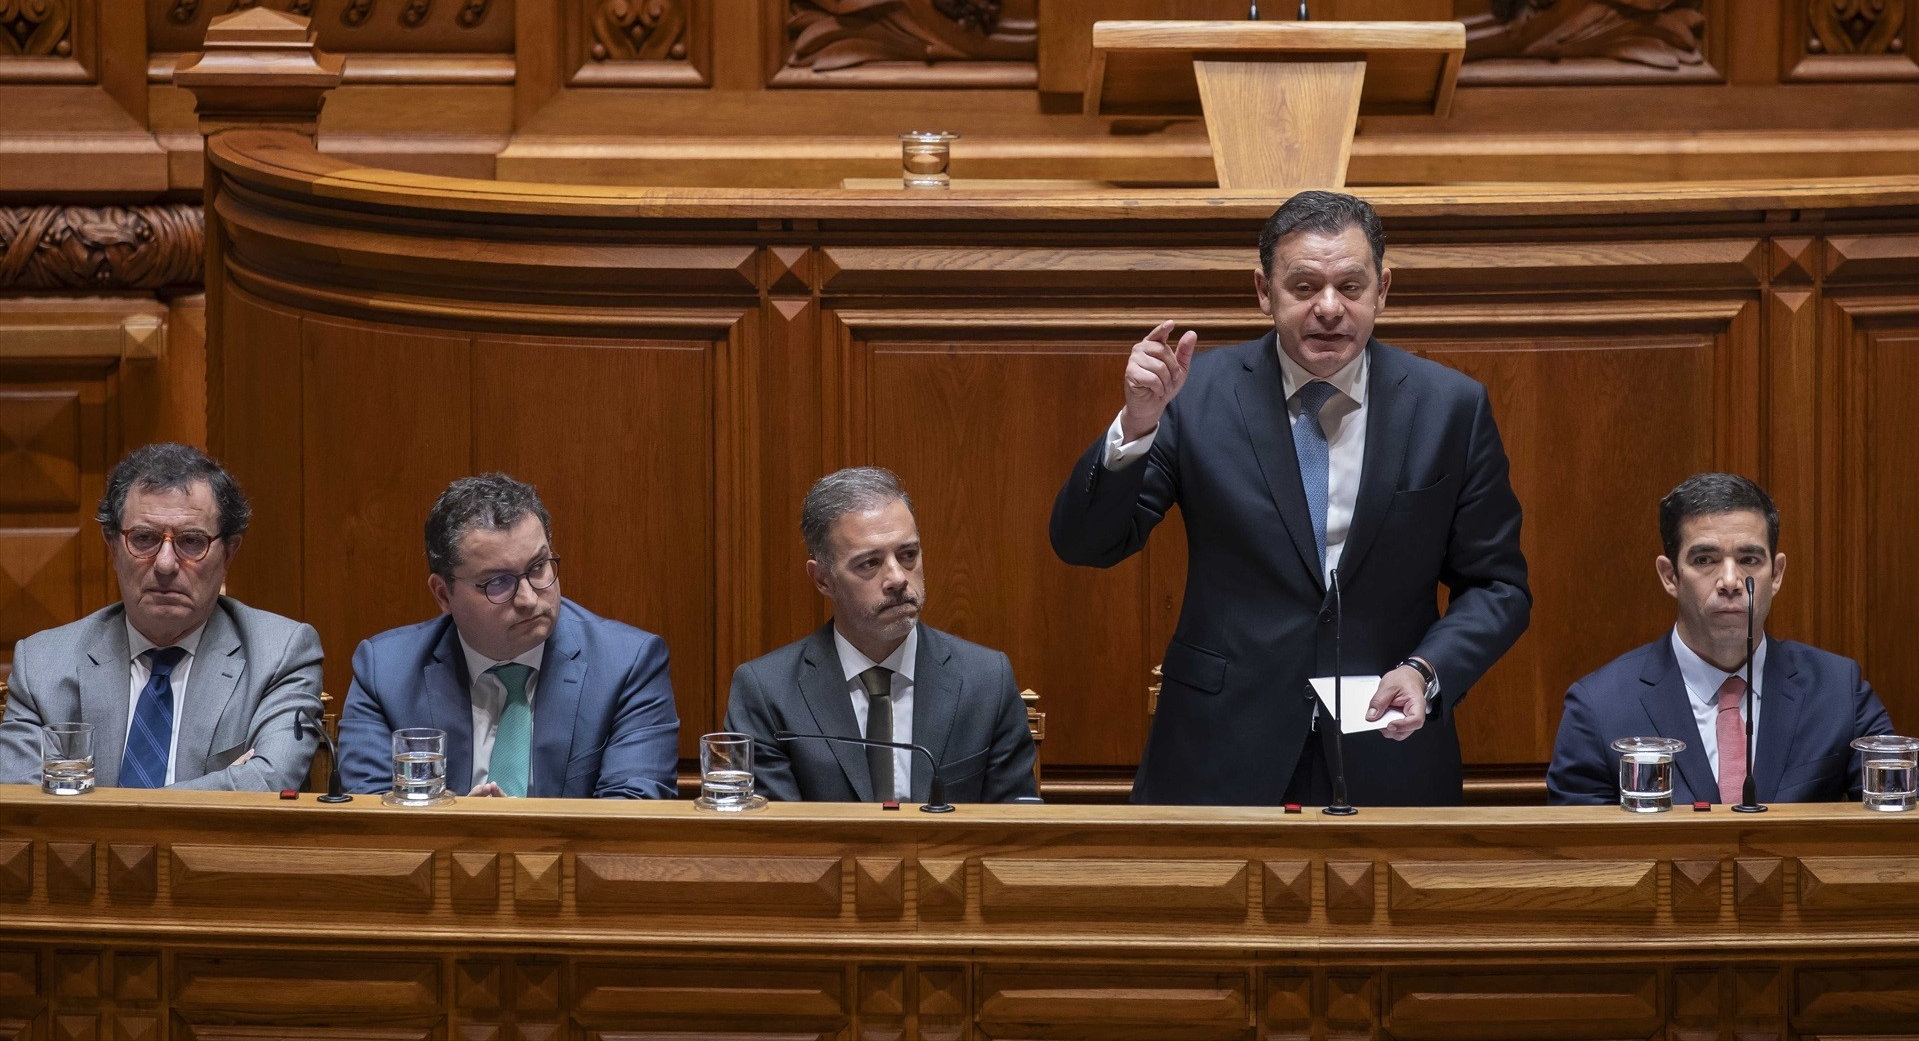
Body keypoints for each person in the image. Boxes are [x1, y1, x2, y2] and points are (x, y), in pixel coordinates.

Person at [1049, 190, 1531, 806]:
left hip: (1387, 748)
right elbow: (1086, 544)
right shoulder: (1196, 398)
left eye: (1350, 287)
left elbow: (1498, 586)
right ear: (1263, 290)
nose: (1329, 309)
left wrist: (1426, 671)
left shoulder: (1449, 408)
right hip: (1219, 750)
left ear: (1383, 290)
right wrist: (1137, 426)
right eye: (1304, 287)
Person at [1548, 473, 1893, 805]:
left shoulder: (1839, 692)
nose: (1730, 580)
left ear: (1776, 574)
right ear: (1670, 576)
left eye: (1749, 559)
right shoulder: (1599, 708)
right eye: (1705, 560)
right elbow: (1579, 856)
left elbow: (1898, 831)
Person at [0, 443, 322, 790]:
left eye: (191, 542)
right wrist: (226, 783)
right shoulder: (43, 664)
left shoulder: (279, 654)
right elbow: (21, 804)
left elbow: (268, 781)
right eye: (144, 539)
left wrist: (93, 803)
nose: (165, 564)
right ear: (112, 546)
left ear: (229, 553)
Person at [336, 474, 679, 799]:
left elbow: (632, 815)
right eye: (498, 582)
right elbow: (373, 813)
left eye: (538, 567)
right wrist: (459, 826)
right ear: (443, 595)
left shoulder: (628, 665)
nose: (529, 599)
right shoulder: (385, 673)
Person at [726, 468, 1037, 803]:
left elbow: (1016, 831)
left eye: (908, 555)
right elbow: (779, 842)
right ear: (822, 579)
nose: (897, 578)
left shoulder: (987, 681)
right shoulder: (767, 692)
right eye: (870, 563)